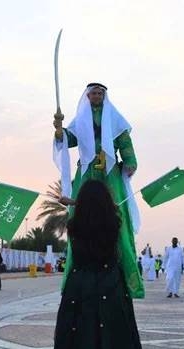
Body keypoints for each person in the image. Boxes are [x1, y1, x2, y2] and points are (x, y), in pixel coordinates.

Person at [53, 82, 144, 300]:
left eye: (100, 93)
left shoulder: (114, 118)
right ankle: (75, 274)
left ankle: (126, 277)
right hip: (87, 171)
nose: (96, 96)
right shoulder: (82, 119)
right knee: (79, 213)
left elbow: (124, 141)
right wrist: (58, 129)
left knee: (117, 214)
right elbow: (68, 139)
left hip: (110, 171)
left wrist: (130, 161)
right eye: (93, 93)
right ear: (87, 96)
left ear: (104, 95)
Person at [52, 180, 142, 349]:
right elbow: (110, 210)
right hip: (109, 284)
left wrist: (74, 202)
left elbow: (87, 210)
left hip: (80, 285)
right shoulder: (113, 223)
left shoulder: (74, 226)